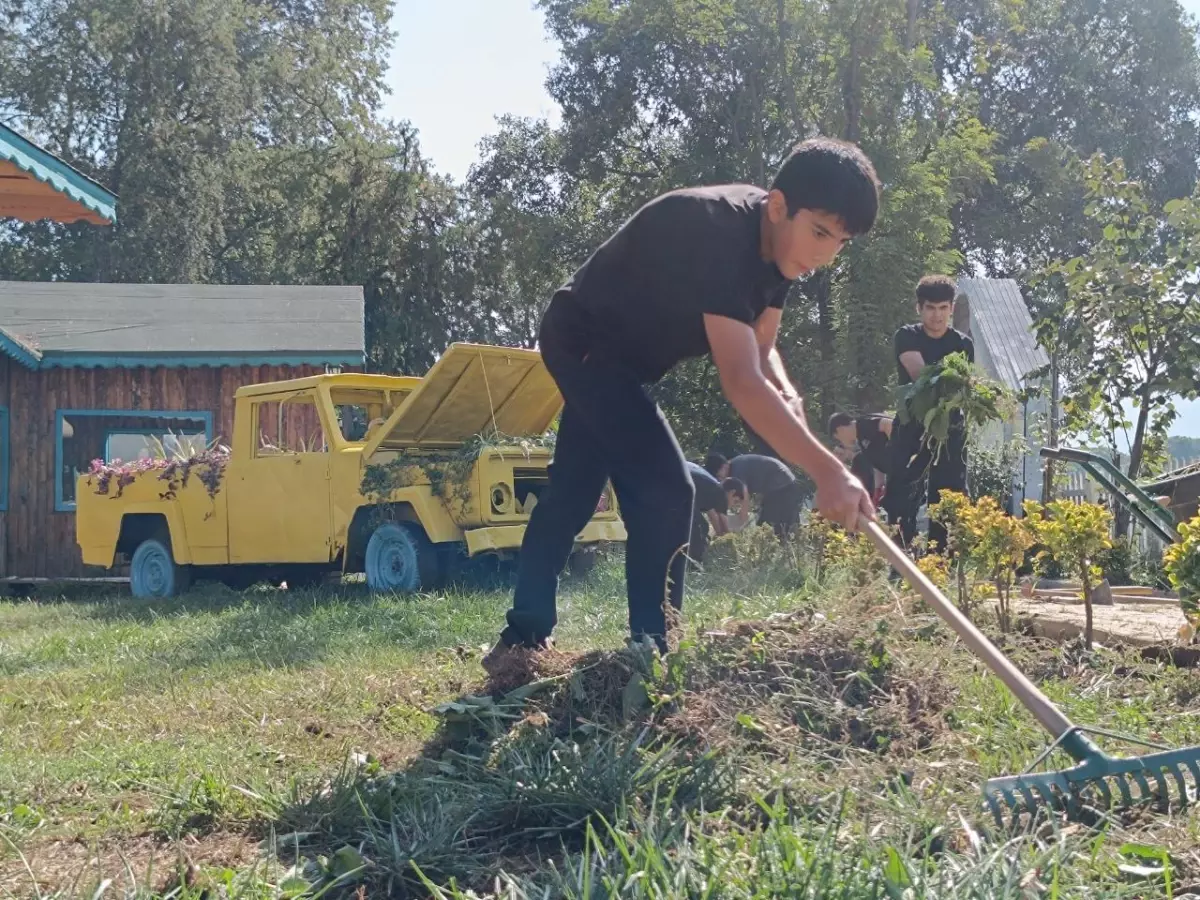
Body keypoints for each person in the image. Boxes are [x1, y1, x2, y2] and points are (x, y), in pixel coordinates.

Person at [481, 136, 881, 673]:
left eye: (840, 243)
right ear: (780, 205)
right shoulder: (718, 236)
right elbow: (741, 381)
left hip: (625, 364)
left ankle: (520, 639)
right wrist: (828, 471)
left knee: (573, 494)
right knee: (669, 486)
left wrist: (788, 392)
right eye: (820, 233)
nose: (825, 254)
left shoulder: (781, 255)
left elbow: (763, 351)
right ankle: (652, 649)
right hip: (585, 342)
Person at [881, 275, 974, 551]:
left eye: (943, 308)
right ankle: (901, 559)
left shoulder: (963, 344)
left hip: (951, 429)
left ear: (951, 309)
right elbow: (920, 376)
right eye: (931, 308)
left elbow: (967, 385)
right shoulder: (907, 336)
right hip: (912, 426)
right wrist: (953, 383)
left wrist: (965, 389)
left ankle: (939, 560)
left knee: (947, 497)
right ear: (919, 308)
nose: (937, 315)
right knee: (901, 492)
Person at [705, 452, 804, 540]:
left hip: (782, 485)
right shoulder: (734, 466)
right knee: (782, 526)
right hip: (783, 484)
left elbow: (745, 497)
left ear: (724, 466)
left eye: (719, 476)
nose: (720, 479)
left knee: (768, 529)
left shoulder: (737, 471)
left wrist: (741, 522)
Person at [684, 461, 748, 564]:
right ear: (731, 492)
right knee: (700, 528)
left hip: (674, 478)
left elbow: (713, 516)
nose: (731, 506)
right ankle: (695, 564)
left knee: (700, 525)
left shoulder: (711, 488)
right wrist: (732, 551)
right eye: (735, 501)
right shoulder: (721, 494)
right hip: (677, 485)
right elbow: (724, 530)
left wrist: (718, 537)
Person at [829, 411, 892, 503]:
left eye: (838, 438)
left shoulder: (863, 424)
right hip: (895, 473)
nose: (841, 442)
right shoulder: (861, 441)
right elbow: (878, 465)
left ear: (840, 430)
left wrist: (897, 452)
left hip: (908, 460)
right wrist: (879, 490)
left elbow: (888, 424)